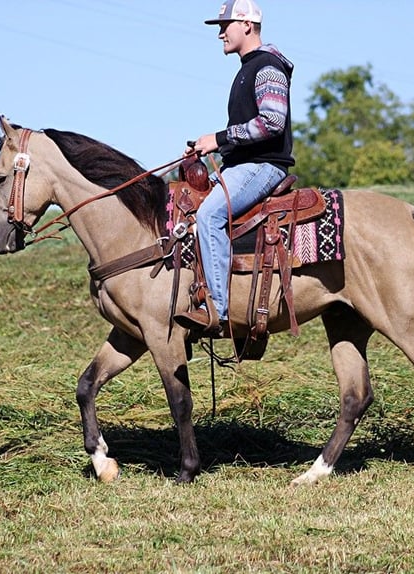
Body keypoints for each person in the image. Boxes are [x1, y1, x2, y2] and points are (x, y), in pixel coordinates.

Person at [174, 0, 295, 336]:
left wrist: (219, 138)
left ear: (246, 24)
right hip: (241, 163)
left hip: (263, 165)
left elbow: (272, 122)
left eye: (224, 25)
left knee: (209, 216)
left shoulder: (267, 66)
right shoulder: (246, 68)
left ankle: (217, 308)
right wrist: (210, 145)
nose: (220, 34)